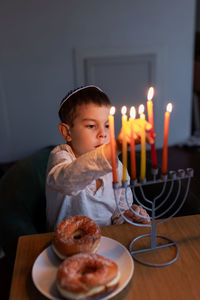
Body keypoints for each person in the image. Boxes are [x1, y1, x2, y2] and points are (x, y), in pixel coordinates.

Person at [46, 85, 153, 231]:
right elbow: (65, 182)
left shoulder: (118, 168)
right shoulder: (61, 157)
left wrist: (130, 215)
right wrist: (115, 147)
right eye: (91, 125)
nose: (103, 133)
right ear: (67, 132)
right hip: (66, 244)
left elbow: (118, 216)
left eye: (108, 125)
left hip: (106, 242)